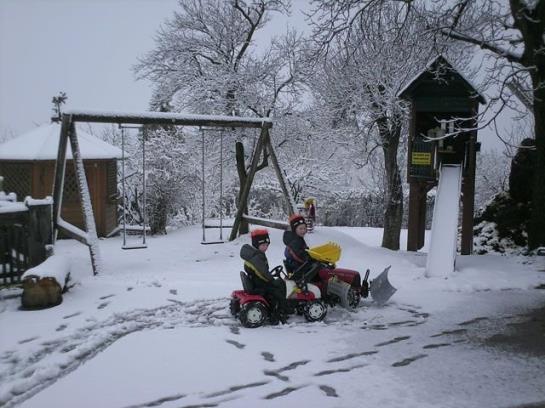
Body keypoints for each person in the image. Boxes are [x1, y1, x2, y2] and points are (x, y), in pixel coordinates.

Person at [240, 229, 288, 324]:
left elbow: (262, 272)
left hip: (256, 281)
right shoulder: (256, 258)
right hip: (259, 285)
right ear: (256, 245)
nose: (266, 247)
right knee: (280, 288)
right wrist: (272, 280)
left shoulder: (254, 255)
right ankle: (278, 314)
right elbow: (263, 273)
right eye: (263, 245)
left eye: (267, 245)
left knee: (278, 283)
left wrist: (270, 277)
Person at [283, 214, 319, 283]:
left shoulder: (297, 238)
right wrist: (310, 259)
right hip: (297, 267)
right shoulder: (294, 241)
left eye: (304, 228)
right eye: (300, 229)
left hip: (297, 264)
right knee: (318, 272)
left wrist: (311, 254)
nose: (303, 231)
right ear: (294, 229)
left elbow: (304, 249)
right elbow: (298, 255)